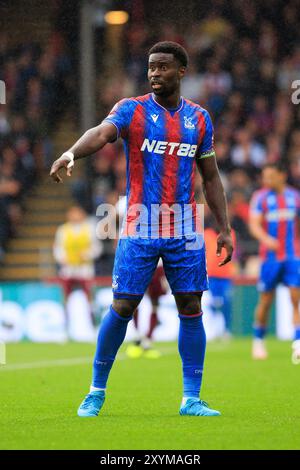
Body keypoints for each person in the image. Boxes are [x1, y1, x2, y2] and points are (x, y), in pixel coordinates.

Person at [50, 41, 233, 417]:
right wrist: (70, 153)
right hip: (140, 223)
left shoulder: (199, 118)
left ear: (181, 71)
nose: (154, 73)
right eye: (151, 67)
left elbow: (211, 177)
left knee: (190, 305)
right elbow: (101, 133)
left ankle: (191, 398)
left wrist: (225, 228)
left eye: (163, 67)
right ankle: (96, 392)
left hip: (184, 226)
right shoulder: (132, 110)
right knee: (122, 305)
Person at [249, 163, 300, 363]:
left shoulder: (294, 197)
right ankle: (258, 341)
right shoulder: (261, 197)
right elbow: (254, 225)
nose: (267, 181)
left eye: (271, 176)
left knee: (295, 298)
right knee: (266, 301)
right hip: (269, 258)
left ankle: (297, 342)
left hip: (291, 256)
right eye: (265, 177)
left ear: (282, 175)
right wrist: (265, 239)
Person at [53, 205, 102, 303]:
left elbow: (97, 247)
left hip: (85, 267)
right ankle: (66, 312)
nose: (75, 216)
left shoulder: (90, 228)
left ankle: (90, 311)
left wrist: (87, 255)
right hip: (68, 268)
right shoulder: (62, 230)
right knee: (66, 292)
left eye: (77, 213)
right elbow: (57, 248)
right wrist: (62, 258)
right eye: (72, 213)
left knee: (88, 293)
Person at [126, 260, 168, 359]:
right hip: (140, 264)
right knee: (135, 302)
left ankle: (147, 342)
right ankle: (137, 339)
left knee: (154, 305)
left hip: (157, 267)